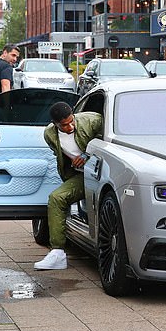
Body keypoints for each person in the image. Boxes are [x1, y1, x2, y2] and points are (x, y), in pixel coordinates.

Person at [34, 102, 103, 270]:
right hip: (81, 176)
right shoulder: (49, 134)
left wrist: (87, 155)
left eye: (71, 121)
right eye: (64, 125)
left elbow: (108, 140)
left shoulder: (93, 120)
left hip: (103, 173)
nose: (70, 126)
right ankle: (57, 253)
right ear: (55, 124)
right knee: (56, 198)